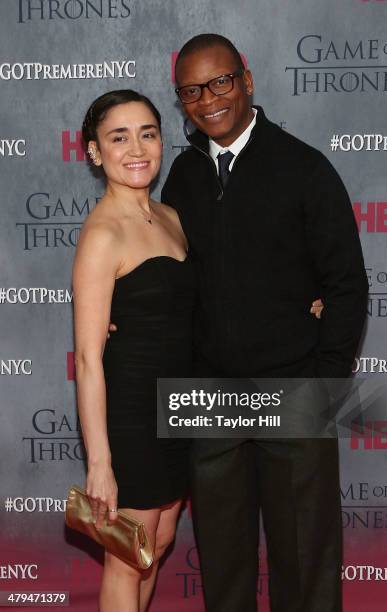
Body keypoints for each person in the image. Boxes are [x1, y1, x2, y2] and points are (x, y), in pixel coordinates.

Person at [159, 34, 369, 612]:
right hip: (209, 398)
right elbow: (177, 286)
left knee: (304, 558)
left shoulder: (304, 167)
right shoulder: (183, 176)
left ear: (247, 79)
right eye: (192, 91)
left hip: (293, 388)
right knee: (223, 563)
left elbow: (348, 285)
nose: (209, 100)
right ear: (182, 100)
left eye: (220, 82)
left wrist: (323, 386)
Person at [72, 89, 195, 612]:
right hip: (133, 415)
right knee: (128, 558)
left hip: (180, 406)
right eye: (118, 137)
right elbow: (86, 358)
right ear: (96, 152)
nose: (137, 148)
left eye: (147, 132)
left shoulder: (170, 216)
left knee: (158, 544)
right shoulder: (103, 234)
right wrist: (100, 461)